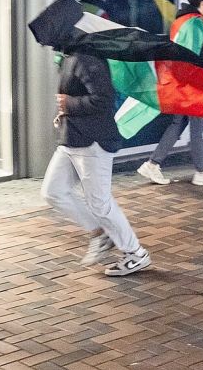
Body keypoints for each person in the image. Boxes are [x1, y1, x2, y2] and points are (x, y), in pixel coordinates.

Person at [40, 33, 152, 276]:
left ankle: (136, 253)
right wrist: (65, 111)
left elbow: (103, 100)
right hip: (71, 139)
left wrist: (69, 105)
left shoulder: (86, 58)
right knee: (53, 191)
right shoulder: (70, 57)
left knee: (100, 203)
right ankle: (100, 234)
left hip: (93, 142)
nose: (47, 42)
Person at [138, 0, 203, 187]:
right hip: (191, 84)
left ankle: (153, 164)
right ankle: (201, 170)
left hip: (179, 82)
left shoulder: (180, 21)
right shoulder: (195, 24)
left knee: (178, 124)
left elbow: (186, 51)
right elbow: (193, 59)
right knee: (197, 127)